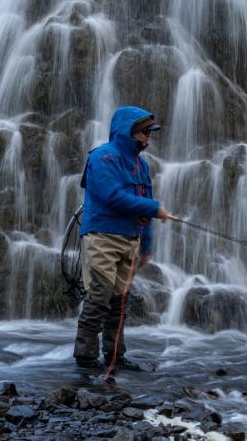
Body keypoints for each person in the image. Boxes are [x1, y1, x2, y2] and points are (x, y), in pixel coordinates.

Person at [73, 105, 174, 371]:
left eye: (149, 132)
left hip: (131, 239)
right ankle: (85, 358)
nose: (147, 137)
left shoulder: (142, 166)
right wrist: (153, 208)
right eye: (143, 132)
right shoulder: (102, 158)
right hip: (102, 236)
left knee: (119, 302)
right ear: (126, 131)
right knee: (100, 295)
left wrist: (147, 244)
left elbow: (145, 203)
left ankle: (115, 355)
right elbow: (112, 196)